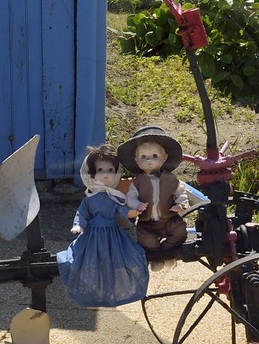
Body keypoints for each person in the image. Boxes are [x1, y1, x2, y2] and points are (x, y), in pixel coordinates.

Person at [55, 145, 149, 308]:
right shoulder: (90, 198)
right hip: (92, 234)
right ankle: (95, 291)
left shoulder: (114, 196)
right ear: (92, 173)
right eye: (101, 170)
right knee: (89, 260)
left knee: (119, 258)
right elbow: (82, 213)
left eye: (110, 170)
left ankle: (112, 291)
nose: (106, 174)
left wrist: (131, 213)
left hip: (113, 233)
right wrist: (78, 225)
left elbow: (121, 210)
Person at [119, 125, 193, 252]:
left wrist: (180, 204)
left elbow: (180, 192)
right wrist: (137, 205)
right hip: (147, 222)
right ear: (136, 161)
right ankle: (156, 255)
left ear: (164, 158)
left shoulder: (171, 179)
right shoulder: (137, 182)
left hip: (170, 218)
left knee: (180, 232)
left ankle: (168, 250)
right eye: (143, 157)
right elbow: (130, 197)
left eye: (154, 155)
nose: (149, 160)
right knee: (145, 239)